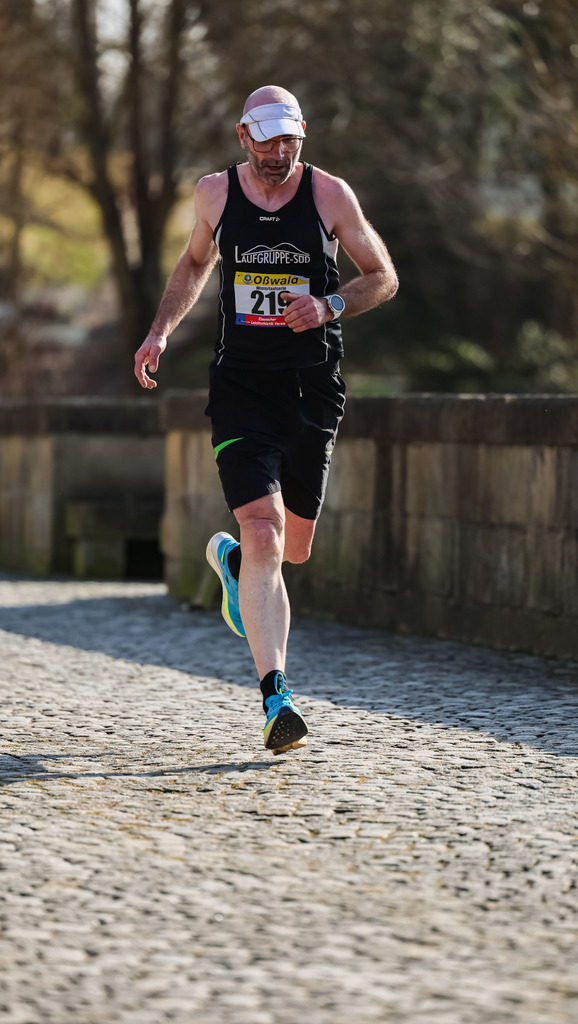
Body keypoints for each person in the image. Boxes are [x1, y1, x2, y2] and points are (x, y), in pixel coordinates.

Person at [135, 85, 398, 755]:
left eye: (291, 140)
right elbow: (195, 262)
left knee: (294, 549)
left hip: (312, 388)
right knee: (263, 529)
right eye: (269, 139)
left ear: (302, 135)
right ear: (243, 135)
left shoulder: (330, 195)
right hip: (241, 386)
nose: (281, 152)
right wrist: (161, 331)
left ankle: (232, 571)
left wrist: (331, 305)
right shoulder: (214, 195)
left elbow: (383, 275)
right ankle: (276, 696)